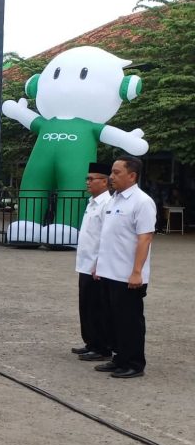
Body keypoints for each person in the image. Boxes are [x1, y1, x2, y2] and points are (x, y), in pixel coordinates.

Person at [93, 156, 156, 379]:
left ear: (132, 175)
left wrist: (137, 272)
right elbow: (107, 236)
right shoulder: (113, 200)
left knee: (129, 321)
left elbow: (145, 238)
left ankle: (134, 363)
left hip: (127, 275)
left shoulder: (142, 201)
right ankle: (119, 358)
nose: (111, 176)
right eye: (112, 172)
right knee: (112, 319)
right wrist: (98, 264)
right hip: (108, 271)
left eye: (117, 172)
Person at [72, 163, 114, 361]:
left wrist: (100, 263)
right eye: (86, 179)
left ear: (104, 181)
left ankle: (102, 347)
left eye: (91, 179)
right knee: (86, 305)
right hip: (85, 263)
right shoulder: (92, 202)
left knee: (97, 307)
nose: (87, 182)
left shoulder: (108, 204)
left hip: (96, 265)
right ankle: (90, 342)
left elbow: (107, 236)